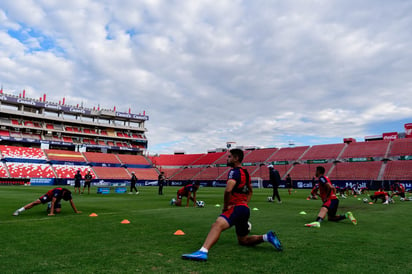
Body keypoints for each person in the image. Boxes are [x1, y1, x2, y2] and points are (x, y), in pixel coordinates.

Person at [181, 149, 282, 262]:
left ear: (236, 158)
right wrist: (245, 203)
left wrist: (225, 206)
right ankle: (267, 237)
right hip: (244, 209)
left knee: (217, 225)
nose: (227, 158)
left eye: (229, 156)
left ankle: (203, 252)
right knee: (243, 240)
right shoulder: (246, 172)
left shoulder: (234, 171)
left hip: (235, 207)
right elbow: (250, 191)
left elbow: (228, 190)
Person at [13, 187, 82, 216]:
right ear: (63, 195)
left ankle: (50, 206)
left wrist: (76, 211)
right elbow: (53, 202)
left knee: (58, 211)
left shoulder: (68, 193)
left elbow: (71, 202)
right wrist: (51, 213)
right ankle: (18, 210)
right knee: (35, 203)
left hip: (57, 198)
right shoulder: (58, 191)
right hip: (49, 196)